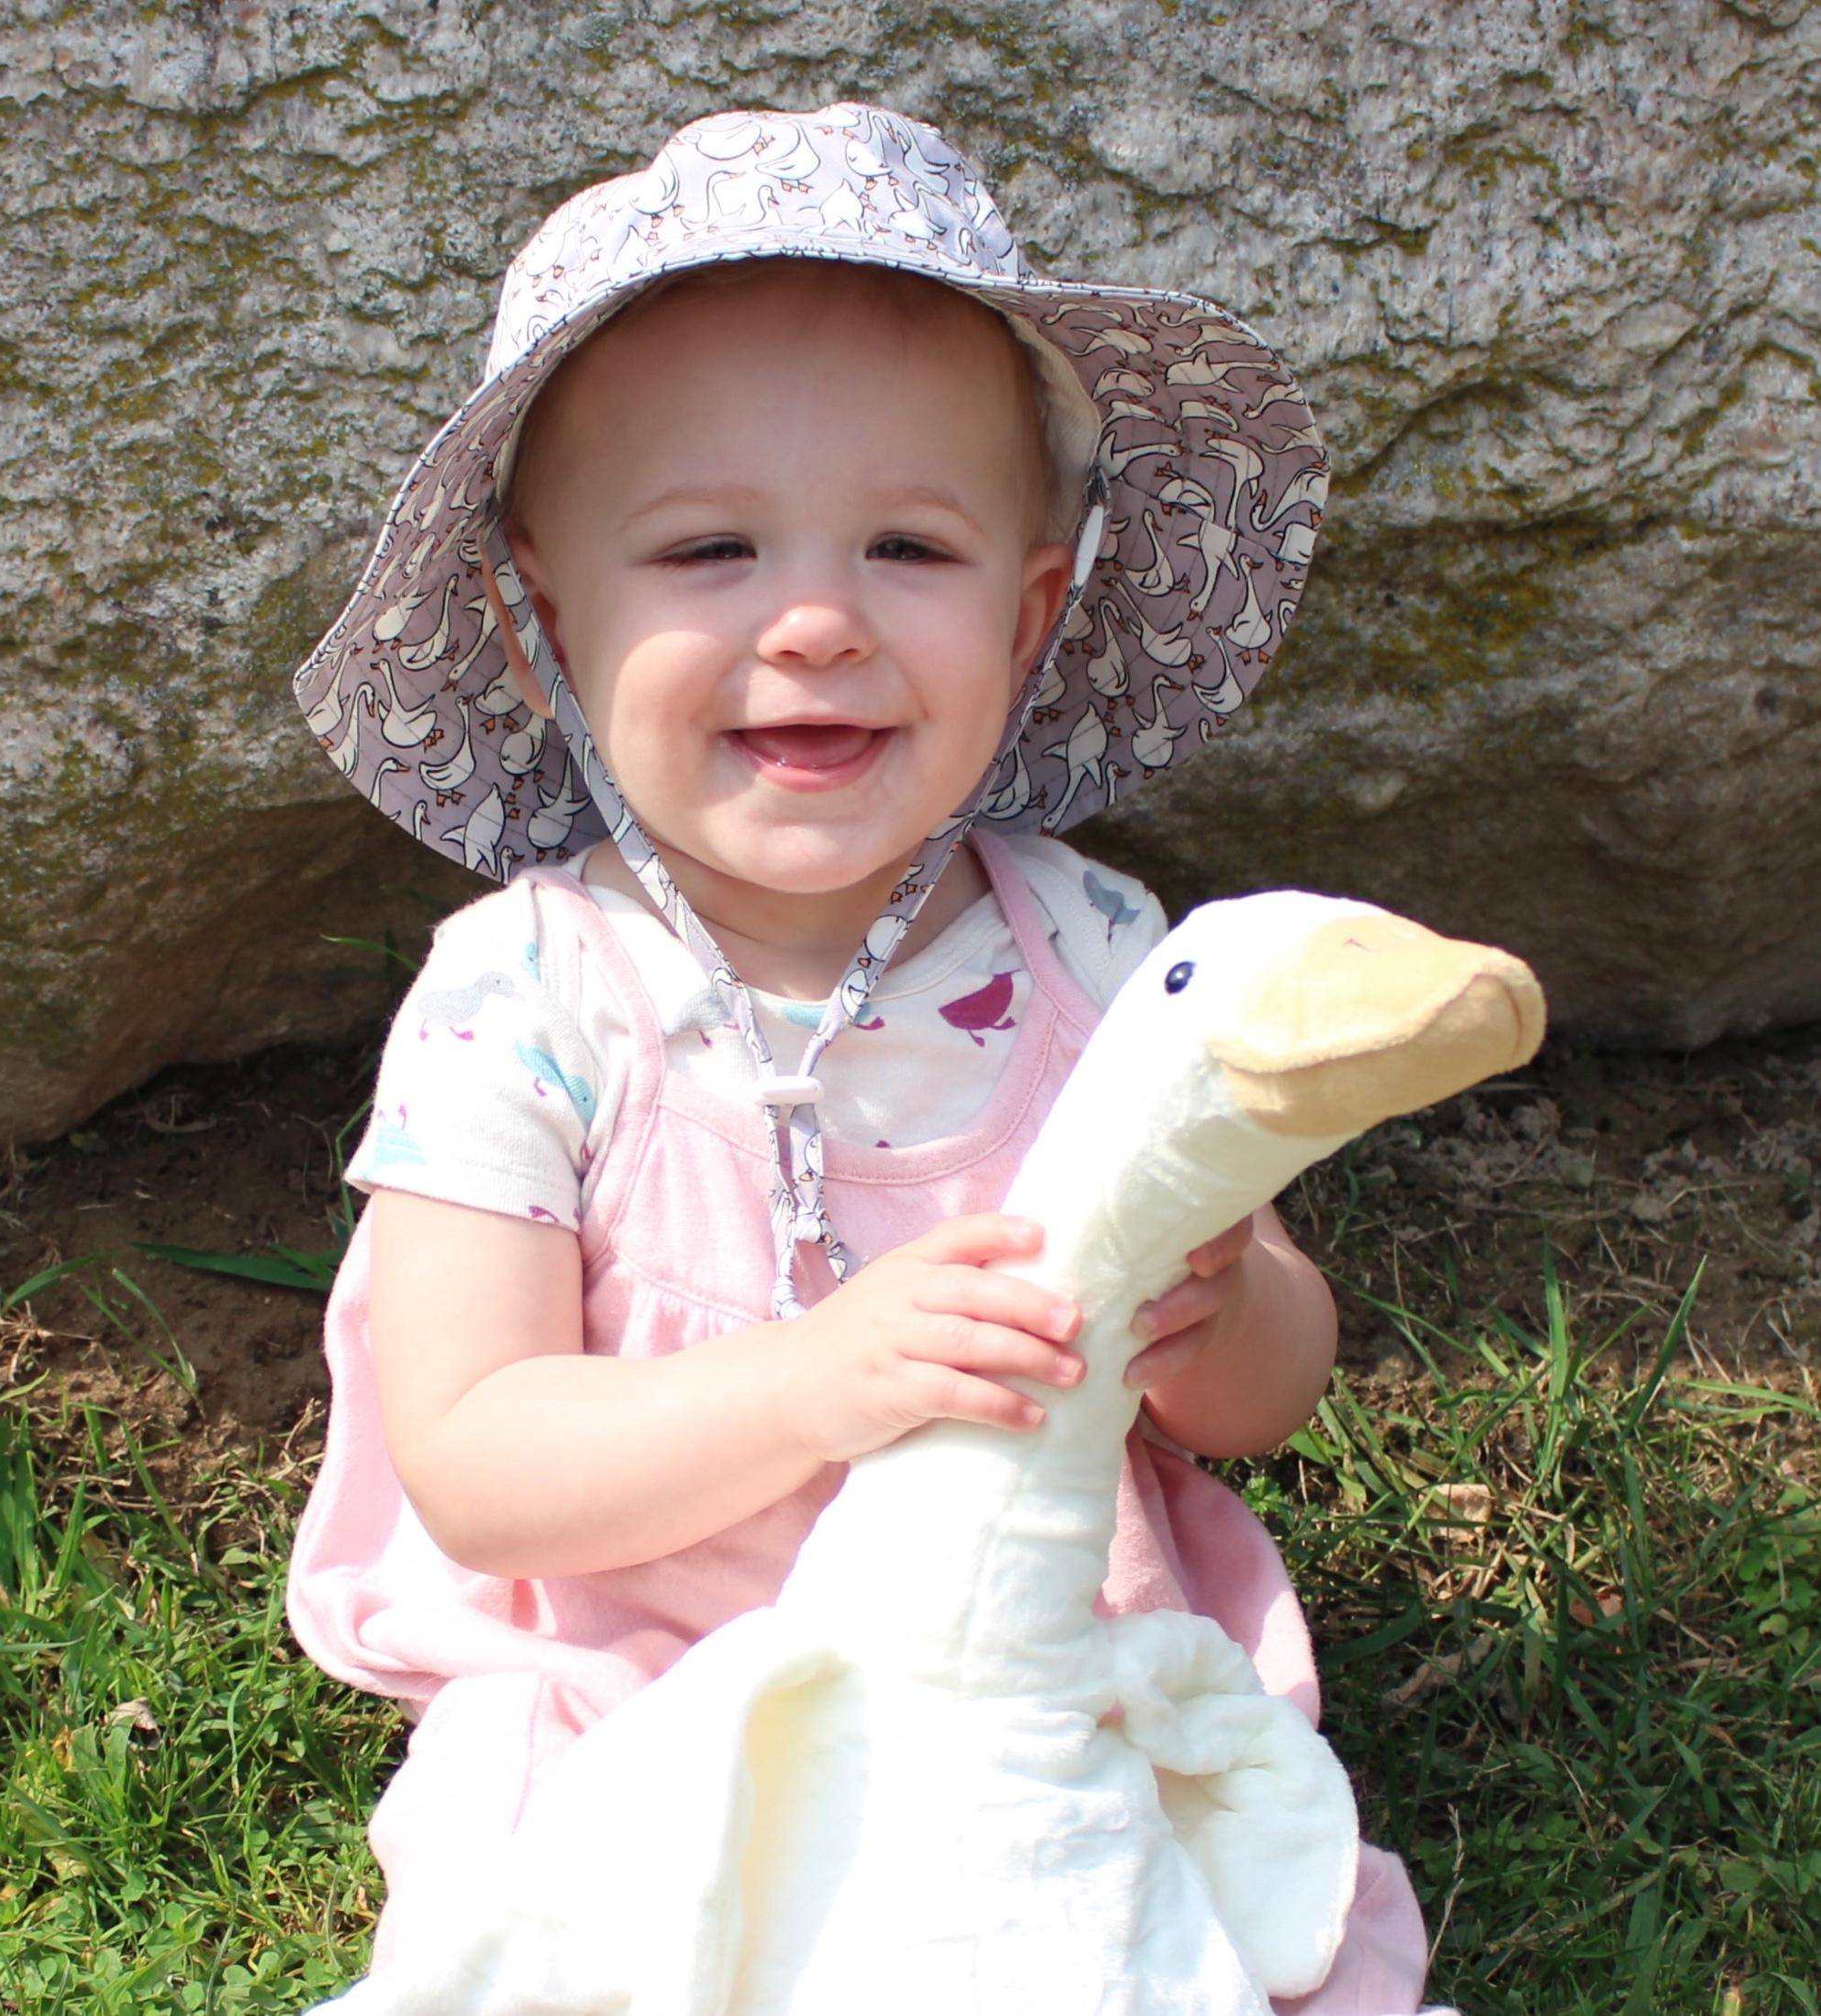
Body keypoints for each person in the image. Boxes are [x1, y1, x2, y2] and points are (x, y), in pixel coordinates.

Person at [286, 102, 1435, 2007]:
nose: (814, 621)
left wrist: (1217, 1306)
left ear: (1032, 609)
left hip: (1037, 1666)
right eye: (709, 548)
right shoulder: (527, 998)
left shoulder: (1091, 951)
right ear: (544, 616)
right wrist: (817, 1380)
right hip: (638, 1685)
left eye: (908, 545)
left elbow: (1266, 1392)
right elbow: (479, 1458)